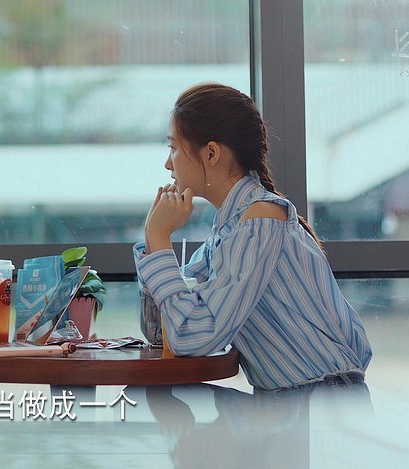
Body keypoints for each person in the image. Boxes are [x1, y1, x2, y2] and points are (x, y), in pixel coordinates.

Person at [134, 82, 372, 392]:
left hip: (321, 403)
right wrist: (152, 241)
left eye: (174, 147)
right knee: (151, 394)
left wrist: (159, 237)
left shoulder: (261, 219)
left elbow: (190, 337)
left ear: (211, 153)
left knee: (155, 396)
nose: (168, 163)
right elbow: (162, 334)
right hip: (286, 401)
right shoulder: (228, 230)